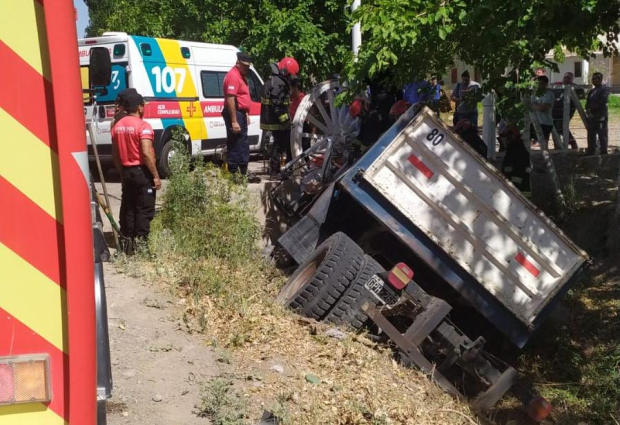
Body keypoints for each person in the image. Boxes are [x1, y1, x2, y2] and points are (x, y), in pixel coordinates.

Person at [110, 89, 161, 254]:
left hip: (126, 171)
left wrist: (122, 172)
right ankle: (142, 248)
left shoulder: (117, 127)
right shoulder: (143, 126)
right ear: (139, 107)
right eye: (143, 106)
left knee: (128, 208)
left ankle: (127, 245)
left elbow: (115, 155)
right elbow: (146, 153)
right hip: (141, 172)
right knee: (144, 209)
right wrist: (155, 176)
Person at [260, 57, 300, 177]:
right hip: (276, 121)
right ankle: (277, 171)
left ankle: (275, 170)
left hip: (270, 119)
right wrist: (286, 121)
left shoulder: (273, 80)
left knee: (278, 145)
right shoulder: (279, 84)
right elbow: (278, 106)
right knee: (281, 145)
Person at [222, 52, 258, 180]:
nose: (247, 68)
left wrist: (246, 113)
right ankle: (234, 174)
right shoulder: (233, 76)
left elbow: (242, 97)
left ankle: (243, 173)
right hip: (234, 113)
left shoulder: (241, 75)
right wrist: (234, 121)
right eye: (245, 66)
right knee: (235, 144)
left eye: (248, 66)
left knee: (242, 143)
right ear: (238, 63)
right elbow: (230, 99)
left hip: (240, 113)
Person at [501, 124, 532, 198]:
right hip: (518, 190)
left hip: (519, 191)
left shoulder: (517, 151)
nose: (504, 139)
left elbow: (519, 170)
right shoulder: (513, 149)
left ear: (512, 136)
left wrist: (513, 188)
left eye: (506, 136)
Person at [552, 72, 580, 149]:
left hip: (567, 111)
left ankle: (572, 142)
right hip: (555, 110)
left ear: (572, 80)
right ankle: (557, 146)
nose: (567, 79)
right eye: (566, 78)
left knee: (561, 126)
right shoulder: (557, 85)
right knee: (554, 128)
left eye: (569, 78)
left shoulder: (574, 87)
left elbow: (579, 97)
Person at [585, 72, 610, 156]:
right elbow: (587, 103)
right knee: (591, 134)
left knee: (602, 134)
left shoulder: (604, 90)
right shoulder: (591, 91)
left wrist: (592, 109)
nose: (594, 80)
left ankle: (603, 151)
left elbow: (602, 102)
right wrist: (588, 110)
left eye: (596, 79)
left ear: (600, 80)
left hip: (600, 116)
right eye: (593, 79)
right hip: (591, 117)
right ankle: (591, 151)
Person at [529, 75, 556, 148]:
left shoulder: (549, 95)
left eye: (540, 84)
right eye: (537, 84)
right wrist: (535, 105)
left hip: (545, 122)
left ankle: (546, 157)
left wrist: (532, 105)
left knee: (544, 144)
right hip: (533, 121)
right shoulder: (533, 94)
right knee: (527, 140)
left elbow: (543, 108)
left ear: (545, 84)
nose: (538, 86)